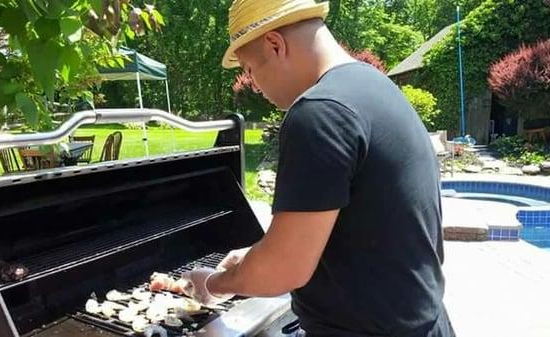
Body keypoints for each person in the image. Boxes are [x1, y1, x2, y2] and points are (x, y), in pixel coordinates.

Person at [181, 1, 455, 336]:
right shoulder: (374, 87)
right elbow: (351, 228)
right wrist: (254, 257)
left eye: (251, 69)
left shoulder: (319, 113)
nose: (254, 84)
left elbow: (284, 268)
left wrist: (214, 283)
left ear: (275, 44)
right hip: (423, 323)